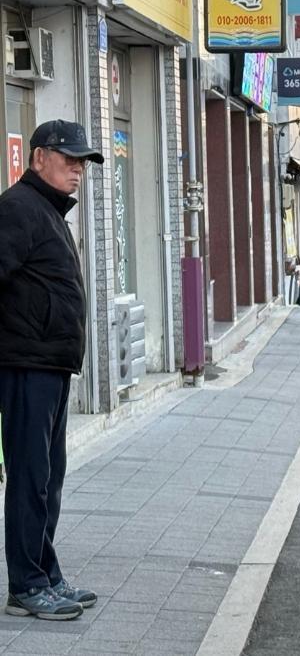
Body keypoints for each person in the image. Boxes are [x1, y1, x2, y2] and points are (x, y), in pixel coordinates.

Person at [0, 120, 103, 620]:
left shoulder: (47, 211)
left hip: (50, 365)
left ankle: (45, 572)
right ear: (38, 157)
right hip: (26, 364)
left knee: (49, 477)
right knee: (29, 476)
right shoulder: (18, 208)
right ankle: (26, 584)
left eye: (83, 163)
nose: (78, 170)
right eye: (69, 160)